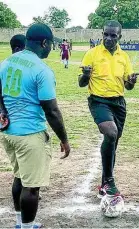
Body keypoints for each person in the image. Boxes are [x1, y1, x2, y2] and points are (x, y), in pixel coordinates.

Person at [0, 23, 71, 229]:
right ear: (44, 43)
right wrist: (64, 140)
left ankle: (19, 223)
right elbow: (51, 110)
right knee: (31, 187)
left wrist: (2, 110)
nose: (51, 48)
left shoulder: (6, 62)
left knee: (20, 177)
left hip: (8, 133)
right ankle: (27, 227)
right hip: (30, 134)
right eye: (51, 44)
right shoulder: (42, 70)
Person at [78, 20, 139, 199]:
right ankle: (109, 181)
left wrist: (131, 82)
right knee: (111, 133)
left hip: (118, 103)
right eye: (106, 34)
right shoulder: (92, 54)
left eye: (113, 35)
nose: (109, 38)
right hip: (98, 101)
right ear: (102, 34)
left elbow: (128, 87)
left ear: (120, 36)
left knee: (113, 144)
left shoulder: (124, 57)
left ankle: (104, 184)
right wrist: (86, 75)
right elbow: (81, 83)